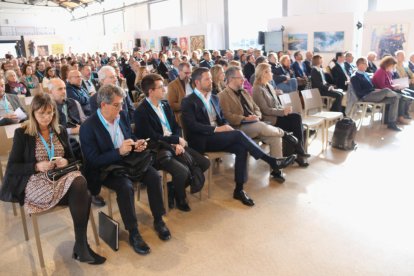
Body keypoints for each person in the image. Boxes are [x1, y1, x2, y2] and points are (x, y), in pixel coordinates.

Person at [0, 93, 106, 264]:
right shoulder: (23, 133)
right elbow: (12, 168)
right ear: (33, 113)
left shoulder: (60, 130)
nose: (46, 117)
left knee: (79, 183)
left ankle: (81, 245)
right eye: (41, 113)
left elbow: (73, 160)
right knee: (82, 191)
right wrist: (36, 166)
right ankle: (81, 247)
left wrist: (65, 161)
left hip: (60, 177)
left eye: (50, 113)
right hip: (36, 182)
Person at [181, 67, 296, 206]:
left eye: (211, 78)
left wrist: (225, 126)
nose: (211, 81)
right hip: (201, 139)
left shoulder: (214, 98)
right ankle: (271, 161)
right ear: (197, 82)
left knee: (241, 148)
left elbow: (222, 119)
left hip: (217, 137)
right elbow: (192, 126)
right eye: (207, 79)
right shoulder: (188, 101)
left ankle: (239, 189)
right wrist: (217, 129)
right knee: (238, 134)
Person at [80, 84, 171, 255]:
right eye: (117, 105)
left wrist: (136, 143)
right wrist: (118, 152)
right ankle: (133, 231)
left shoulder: (120, 116)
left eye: (121, 104)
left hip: (128, 161)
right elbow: (93, 161)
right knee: (125, 186)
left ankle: (158, 219)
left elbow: (129, 136)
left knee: (153, 176)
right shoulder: (89, 127)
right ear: (103, 105)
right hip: (106, 169)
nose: (121, 109)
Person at [134, 74, 209, 211]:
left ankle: (173, 188)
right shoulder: (141, 111)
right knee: (183, 172)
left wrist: (178, 142)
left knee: (204, 163)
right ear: (150, 91)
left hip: (174, 145)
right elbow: (151, 137)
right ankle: (180, 198)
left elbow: (176, 127)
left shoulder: (165, 104)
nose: (165, 89)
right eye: (161, 87)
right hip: (157, 150)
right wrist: (174, 141)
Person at [218, 66, 298, 181]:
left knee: (275, 138)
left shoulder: (244, 92)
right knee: (261, 126)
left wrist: (257, 116)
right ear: (231, 79)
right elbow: (228, 116)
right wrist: (245, 118)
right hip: (240, 128)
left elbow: (256, 108)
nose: (243, 80)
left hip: (255, 124)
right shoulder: (222, 95)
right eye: (240, 77)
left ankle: (276, 170)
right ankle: (285, 134)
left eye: (243, 77)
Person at [252, 63, 310, 165]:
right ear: (263, 73)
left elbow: (277, 104)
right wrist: (283, 112)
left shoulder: (269, 86)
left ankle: (299, 151)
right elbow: (265, 110)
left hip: (277, 115)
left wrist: (285, 110)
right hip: (269, 119)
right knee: (297, 124)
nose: (272, 73)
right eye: (270, 71)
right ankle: (299, 152)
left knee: (296, 117)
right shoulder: (257, 89)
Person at [350, 57, 403, 130]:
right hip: (366, 96)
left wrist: (375, 90)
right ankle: (400, 96)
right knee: (386, 90)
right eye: (364, 64)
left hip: (373, 94)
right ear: (358, 65)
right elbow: (359, 92)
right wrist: (373, 90)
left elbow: (371, 86)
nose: (366, 65)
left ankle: (391, 123)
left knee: (394, 99)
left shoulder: (365, 74)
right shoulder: (354, 77)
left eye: (366, 64)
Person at [372, 56, 413, 121]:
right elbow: (382, 86)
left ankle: (400, 116)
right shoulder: (380, 71)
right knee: (402, 97)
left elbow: (390, 83)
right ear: (387, 64)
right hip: (381, 92)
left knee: (406, 95)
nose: (392, 67)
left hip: (389, 90)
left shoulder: (387, 71)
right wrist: (394, 86)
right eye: (392, 66)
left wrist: (396, 86)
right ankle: (400, 117)